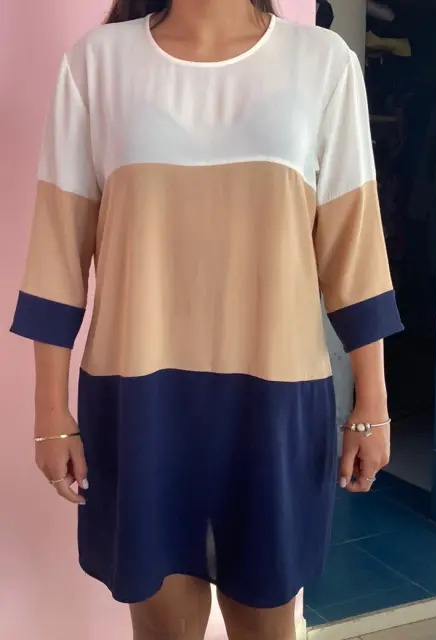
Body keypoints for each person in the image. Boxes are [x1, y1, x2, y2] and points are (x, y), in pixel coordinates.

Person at [10, 0, 403, 638]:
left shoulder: (322, 63)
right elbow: (57, 249)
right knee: (162, 628)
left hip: (274, 397)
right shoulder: (97, 64)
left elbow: (354, 248)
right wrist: (49, 413)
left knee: (266, 624)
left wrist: (372, 404)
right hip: (139, 400)